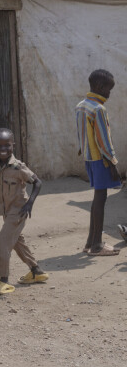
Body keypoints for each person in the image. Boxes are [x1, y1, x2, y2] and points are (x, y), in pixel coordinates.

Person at [0, 128, 48, 295]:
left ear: (13, 145)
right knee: (17, 241)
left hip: (18, 210)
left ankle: (3, 281)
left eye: (7, 145)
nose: (3, 149)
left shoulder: (19, 167)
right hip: (6, 210)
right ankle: (36, 271)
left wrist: (30, 204)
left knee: (2, 242)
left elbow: (37, 183)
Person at [75, 69, 122, 256]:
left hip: (88, 157)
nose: (109, 94)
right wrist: (113, 163)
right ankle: (97, 245)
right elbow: (103, 141)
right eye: (109, 90)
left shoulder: (81, 105)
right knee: (100, 200)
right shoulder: (98, 109)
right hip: (100, 159)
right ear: (99, 87)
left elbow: (81, 135)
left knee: (97, 198)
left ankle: (90, 242)